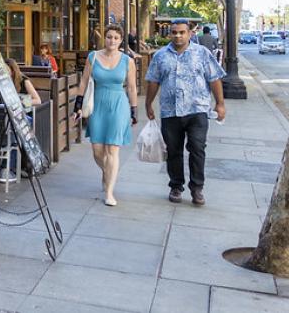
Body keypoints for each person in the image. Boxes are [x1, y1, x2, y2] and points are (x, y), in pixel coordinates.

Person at [145, 18, 226, 207]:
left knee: (197, 149)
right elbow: (153, 81)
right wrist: (148, 104)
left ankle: (197, 188)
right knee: (173, 151)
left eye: (182, 32)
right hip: (170, 111)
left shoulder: (202, 54)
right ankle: (176, 186)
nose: (178, 35)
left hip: (197, 110)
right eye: (174, 32)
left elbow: (214, 79)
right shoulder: (160, 56)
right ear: (170, 34)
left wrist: (220, 104)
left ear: (190, 33)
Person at [72, 24, 138, 207]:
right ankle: (108, 171)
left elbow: (132, 87)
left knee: (112, 149)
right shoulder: (93, 57)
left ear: (121, 41)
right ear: (105, 38)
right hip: (98, 104)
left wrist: (134, 110)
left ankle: (109, 191)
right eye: (109, 37)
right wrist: (77, 105)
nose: (112, 41)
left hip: (118, 104)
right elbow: (84, 82)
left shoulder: (127, 61)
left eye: (116, 38)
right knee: (97, 149)